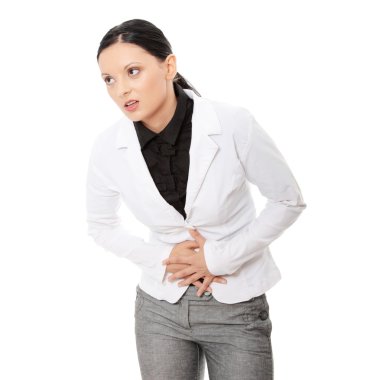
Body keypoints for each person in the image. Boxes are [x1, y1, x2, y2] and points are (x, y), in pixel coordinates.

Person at [87, 18, 307, 380]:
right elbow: (101, 226)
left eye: (133, 71)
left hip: (236, 306)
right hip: (160, 307)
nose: (121, 89)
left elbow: (288, 200)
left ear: (168, 66)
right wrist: (164, 257)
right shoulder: (108, 147)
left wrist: (217, 258)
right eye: (109, 80)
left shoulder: (233, 123)